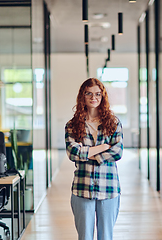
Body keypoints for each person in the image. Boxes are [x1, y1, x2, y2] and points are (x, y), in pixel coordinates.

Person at [65, 78, 123, 240]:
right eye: (88, 93)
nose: (93, 97)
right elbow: (72, 153)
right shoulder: (73, 125)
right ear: (82, 96)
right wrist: (102, 148)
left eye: (98, 94)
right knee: (85, 237)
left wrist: (88, 153)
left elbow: (117, 152)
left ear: (103, 96)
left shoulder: (113, 123)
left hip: (109, 188)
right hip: (82, 188)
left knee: (106, 237)